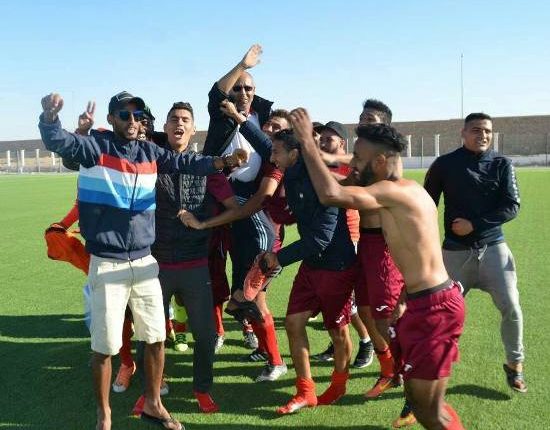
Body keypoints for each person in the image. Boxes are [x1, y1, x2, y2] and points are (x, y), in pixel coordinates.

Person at [39, 91, 243, 430]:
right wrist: (49, 118)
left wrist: (223, 163)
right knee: (105, 347)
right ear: (111, 119)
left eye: (138, 115)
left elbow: (186, 163)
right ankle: (104, 417)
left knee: (156, 337)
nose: (132, 121)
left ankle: (153, 404)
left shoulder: (150, 152)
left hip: (146, 262)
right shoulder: (95, 147)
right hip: (108, 262)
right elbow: (60, 141)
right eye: (124, 114)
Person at [290, 108, 465, 430]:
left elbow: (331, 194)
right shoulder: (402, 190)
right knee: (422, 401)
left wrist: (307, 143)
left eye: (358, 157)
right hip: (425, 302)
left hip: (434, 309)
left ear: (381, 161)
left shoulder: (392, 192)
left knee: (429, 413)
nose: (353, 163)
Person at [424, 112, 526, 393]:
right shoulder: (444, 164)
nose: (483, 135)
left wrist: (475, 224)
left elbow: (512, 206)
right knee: (440, 315)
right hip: (455, 254)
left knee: (512, 307)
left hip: (494, 250)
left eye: (487, 131)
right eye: (476, 130)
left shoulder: (502, 164)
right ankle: (430, 371)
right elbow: (426, 205)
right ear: (463, 133)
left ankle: (515, 364)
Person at [258, 129, 357, 414]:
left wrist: (278, 258)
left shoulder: (321, 178)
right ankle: (305, 391)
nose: (272, 158)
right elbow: (297, 214)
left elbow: (321, 238)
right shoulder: (291, 172)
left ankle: (338, 384)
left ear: (294, 153)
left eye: (276, 152)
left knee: (337, 332)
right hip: (311, 265)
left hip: (337, 267)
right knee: (293, 323)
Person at [203, 44, 275, 350]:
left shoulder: (264, 117)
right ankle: (218, 328)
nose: (243, 93)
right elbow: (216, 93)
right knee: (214, 265)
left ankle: (245, 319)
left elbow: (273, 152)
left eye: (248, 88)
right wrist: (242, 65)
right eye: (238, 88)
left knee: (250, 257)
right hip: (218, 197)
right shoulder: (222, 114)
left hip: (253, 197)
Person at [309, 120, 374, 369]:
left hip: (349, 237)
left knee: (349, 300)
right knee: (331, 299)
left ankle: (367, 341)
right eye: (321, 139)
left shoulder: (348, 166)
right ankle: (336, 342)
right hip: (325, 238)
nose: (324, 142)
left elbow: (343, 186)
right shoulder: (322, 164)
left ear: (342, 142)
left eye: (329, 139)